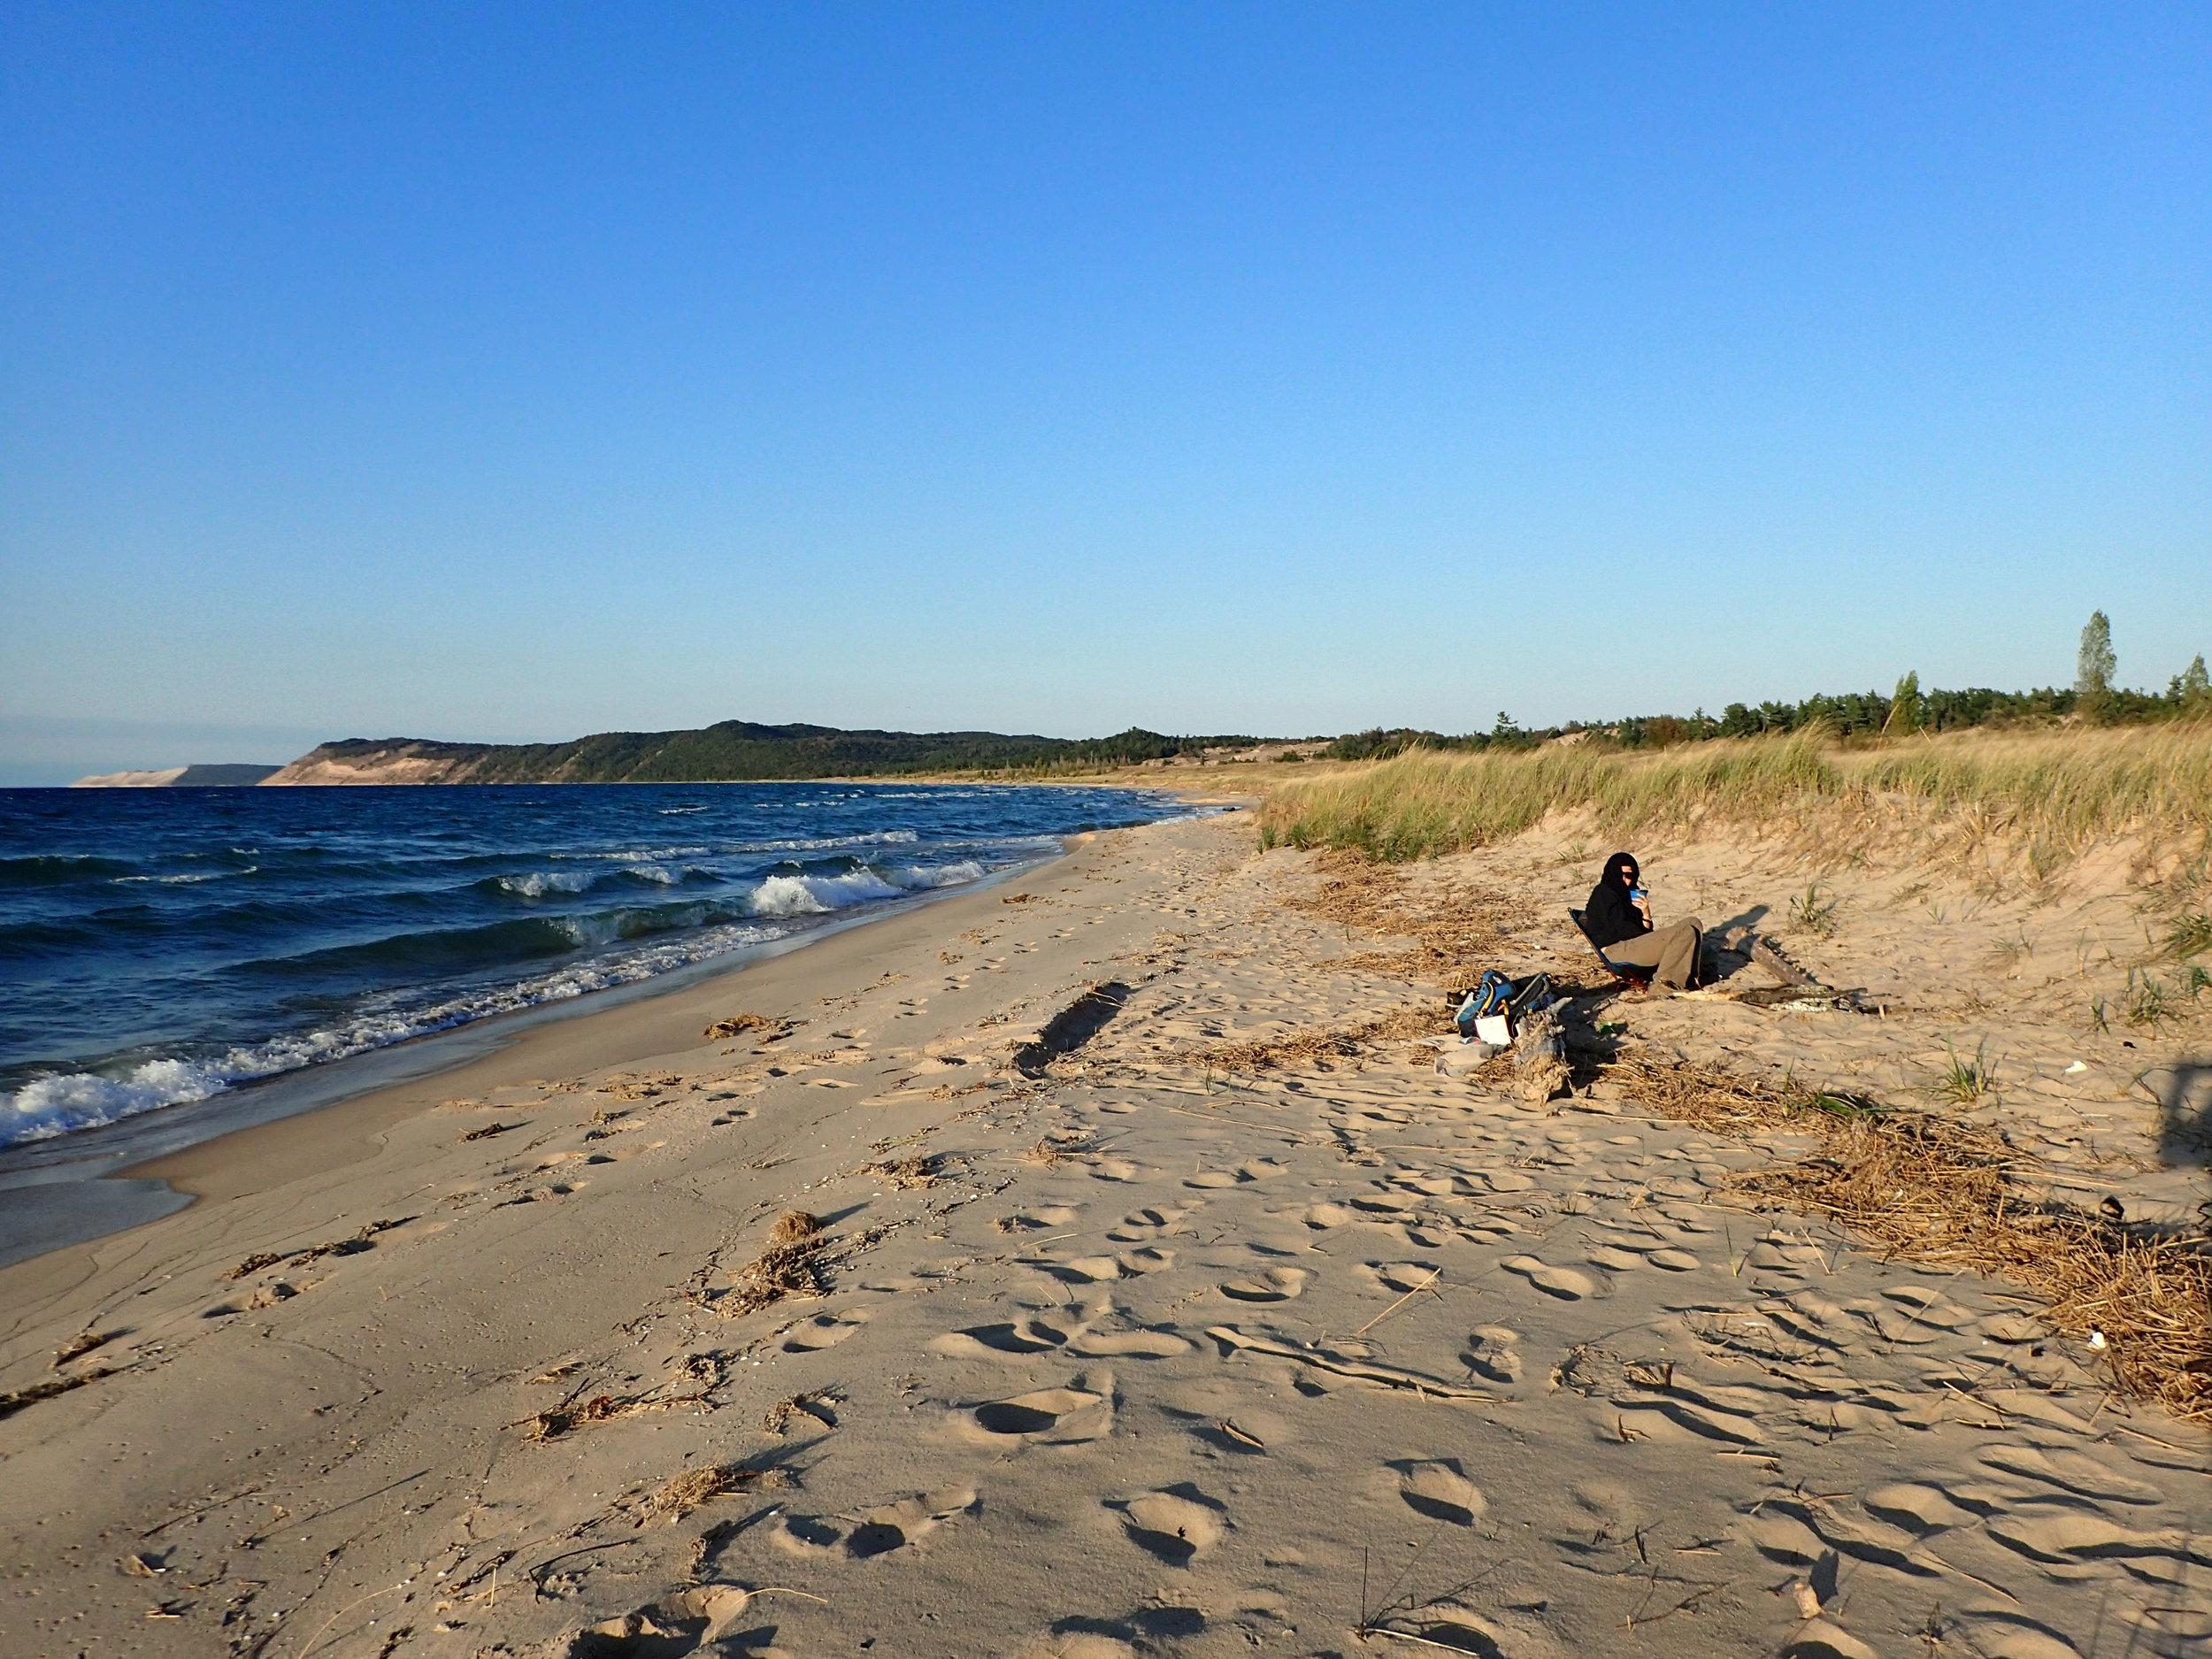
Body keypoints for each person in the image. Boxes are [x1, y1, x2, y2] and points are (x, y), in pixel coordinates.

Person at [1584, 851, 1704, 991]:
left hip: (1634, 944)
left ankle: (1688, 977)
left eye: (1631, 876)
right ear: (1613, 873)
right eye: (1622, 875)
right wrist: (1647, 935)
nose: (1626, 880)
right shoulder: (1603, 894)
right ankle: (1663, 985)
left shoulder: (1629, 897)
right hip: (1614, 949)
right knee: (1686, 932)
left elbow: (1644, 932)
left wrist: (1645, 913)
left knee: (1693, 923)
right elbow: (1617, 930)